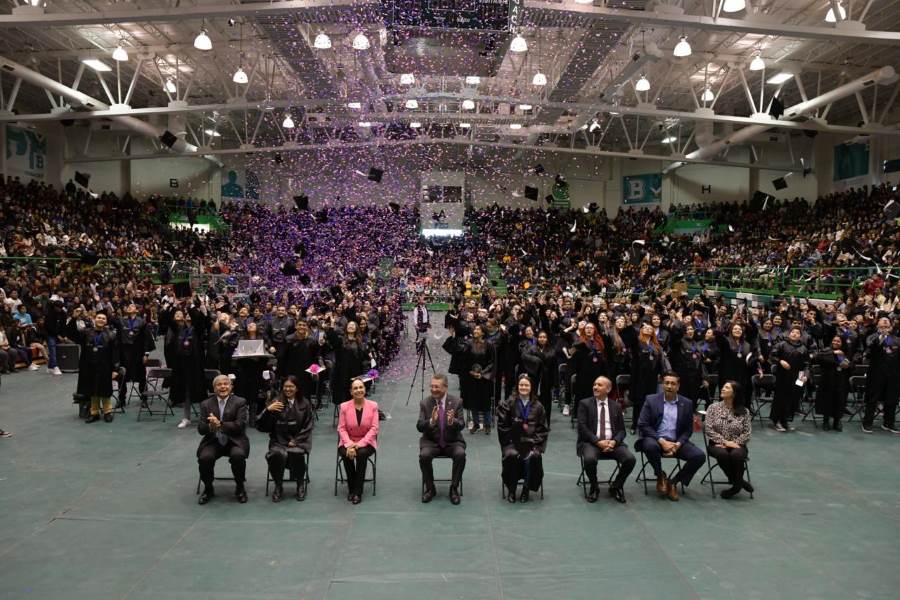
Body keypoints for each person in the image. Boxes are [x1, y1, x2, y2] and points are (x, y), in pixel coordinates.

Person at [636, 372, 706, 501]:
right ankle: (660, 475)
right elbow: (643, 424)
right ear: (662, 384)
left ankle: (673, 482)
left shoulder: (687, 403)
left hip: (676, 442)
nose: (669, 386)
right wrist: (661, 441)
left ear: (678, 386)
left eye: (673, 383)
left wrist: (678, 444)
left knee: (699, 456)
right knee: (649, 446)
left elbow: (687, 430)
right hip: (656, 439)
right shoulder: (651, 400)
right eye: (666, 383)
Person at [576, 376, 636, 503]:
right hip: (591, 443)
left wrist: (614, 441)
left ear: (608, 389)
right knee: (590, 459)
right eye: (594, 384)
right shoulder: (584, 404)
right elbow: (582, 427)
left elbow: (622, 431)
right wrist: (598, 442)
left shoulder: (616, 406)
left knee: (630, 459)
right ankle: (594, 486)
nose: (595, 387)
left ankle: (616, 486)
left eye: (599, 385)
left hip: (612, 443)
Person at [256, 375, 314, 502]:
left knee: (296, 453)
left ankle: (300, 484)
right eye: (285, 386)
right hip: (278, 440)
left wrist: (296, 440)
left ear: (297, 388)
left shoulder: (305, 403)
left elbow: (308, 425)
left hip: (299, 441)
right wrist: (267, 410)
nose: (288, 389)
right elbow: (261, 427)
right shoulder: (276, 402)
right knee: (276, 454)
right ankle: (278, 485)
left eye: (291, 386)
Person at [196, 375, 250, 505]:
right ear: (214, 388)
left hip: (235, 440)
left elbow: (240, 426)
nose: (223, 387)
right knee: (204, 458)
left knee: (238, 456)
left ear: (231, 387)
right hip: (213, 441)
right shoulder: (205, 404)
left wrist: (220, 424)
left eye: (226, 384)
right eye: (219, 385)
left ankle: (240, 487)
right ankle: (208, 488)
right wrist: (210, 426)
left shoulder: (240, 402)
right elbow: (201, 429)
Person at [497, 375, 549, 503]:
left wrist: (532, 442)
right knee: (512, 455)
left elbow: (542, 429)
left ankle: (526, 489)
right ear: (517, 386)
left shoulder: (538, 406)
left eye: (526, 385)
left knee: (533, 456)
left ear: (531, 387)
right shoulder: (509, 403)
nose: (523, 387)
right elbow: (503, 426)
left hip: (532, 443)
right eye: (521, 385)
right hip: (512, 443)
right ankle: (512, 489)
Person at [417, 373, 466, 505]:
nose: (433, 389)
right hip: (431, 442)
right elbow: (420, 427)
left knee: (460, 454)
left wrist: (452, 421)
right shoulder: (425, 403)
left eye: (437, 387)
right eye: (432, 386)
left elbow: (462, 425)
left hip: (452, 441)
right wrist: (431, 420)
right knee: (424, 456)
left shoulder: (457, 402)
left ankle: (454, 488)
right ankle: (430, 488)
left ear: (445, 387)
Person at [65, 309, 120, 423]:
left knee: (105, 390)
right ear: (94, 319)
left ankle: (107, 412)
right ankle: (94, 413)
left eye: (103, 318)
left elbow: (115, 353)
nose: (101, 319)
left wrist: (115, 369)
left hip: (105, 366)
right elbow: (70, 333)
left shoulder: (111, 335)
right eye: (99, 317)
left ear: (106, 321)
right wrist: (74, 318)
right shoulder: (86, 332)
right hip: (89, 366)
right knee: (92, 390)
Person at [704, 380, 753, 499]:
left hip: (738, 444)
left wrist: (734, 443)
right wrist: (725, 442)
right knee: (723, 454)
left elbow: (747, 433)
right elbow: (708, 429)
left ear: (734, 393)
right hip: (716, 444)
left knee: (737, 455)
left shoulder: (744, 411)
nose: (722, 389)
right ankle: (739, 482)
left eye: (727, 388)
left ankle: (735, 486)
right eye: (723, 387)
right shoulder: (713, 408)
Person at [337, 378, 379, 504]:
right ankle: (352, 488)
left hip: (367, 442)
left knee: (361, 454)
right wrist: (349, 445)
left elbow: (374, 428)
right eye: (355, 388)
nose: (358, 390)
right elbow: (341, 428)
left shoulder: (373, 406)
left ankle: (357, 491)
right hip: (347, 441)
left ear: (365, 389)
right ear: (351, 391)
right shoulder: (344, 407)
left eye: (361, 387)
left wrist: (359, 444)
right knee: (346, 455)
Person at [166, 307, 208, 429]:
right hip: (182, 365)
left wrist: (191, 307)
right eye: (187, 314)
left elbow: (199, 320)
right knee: (186, 393)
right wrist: (172, 306)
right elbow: (169, 321)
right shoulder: (179, 329)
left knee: (200, 393)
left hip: (195, 365)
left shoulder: (197, 330)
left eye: (190, 314)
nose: (188, 315)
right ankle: (186, 418)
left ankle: (204, 418)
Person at [861, 317, 900, 434]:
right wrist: (881, 336)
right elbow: (869, 346)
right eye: (882, 321)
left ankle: (888, 423)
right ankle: (867, 422)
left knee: (891, 400)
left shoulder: (897, 340)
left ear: (891, 326)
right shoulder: (872, 337)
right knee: (872, 399)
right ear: (877, 325)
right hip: (876, 374)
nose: (885, 322)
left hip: (893, 374)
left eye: (887, 321)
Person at [769, 325, 810, 432]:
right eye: (793, 332)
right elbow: (772, 356)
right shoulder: (781, 344)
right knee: (781, 399)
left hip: (798, 377)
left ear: (800, 336)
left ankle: (785, 421)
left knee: (793, 399)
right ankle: (776, 421)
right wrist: (780, 361)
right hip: (783, 376)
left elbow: (806, 365)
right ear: (789, 333)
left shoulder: (803, 348)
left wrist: (805, 376)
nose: (794, 334)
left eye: (797, 333)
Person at [114, 303, 155, 408]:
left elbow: (147, 339)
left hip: (138, 353)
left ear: (136, 310)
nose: (129, 307)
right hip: (124, 353)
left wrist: (146, 354)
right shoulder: (121, 321)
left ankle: (144, 399)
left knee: (141, 377)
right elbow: (111, 321)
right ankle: (121, 399)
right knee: (121, 377)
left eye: (132, 306)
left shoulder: (142, 322)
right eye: (128, 306)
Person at [812, 335, 854, 432]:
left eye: (838, 341)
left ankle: (837, 421)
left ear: (842, 343)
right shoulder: (826, 350)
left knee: (839, 401)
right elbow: (817, 357)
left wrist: (846, 364)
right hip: (827, 380)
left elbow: (852, 365)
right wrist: (833, 352)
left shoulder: (846, 352)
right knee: (827, 400)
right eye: (834, 340)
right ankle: (825, 421)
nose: (835, 342)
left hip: (841, 381)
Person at [282, 320, 323, 407]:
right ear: (296, 326)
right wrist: (283, 374)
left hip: (306, 374)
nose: (302, 327)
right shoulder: (288, 339)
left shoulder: (312, 340)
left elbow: (316, 357)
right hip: (291, 373)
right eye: (299, 325)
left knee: (305, 397)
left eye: (304, 325)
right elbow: (282, 358)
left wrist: (314, 373)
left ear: (307, 327)